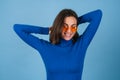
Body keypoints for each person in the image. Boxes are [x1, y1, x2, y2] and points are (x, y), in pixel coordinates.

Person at [13, 9, 102, 80]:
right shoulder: (45, 47)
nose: (69, 31)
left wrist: (75, 20)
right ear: (59, 25)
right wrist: (46, 30)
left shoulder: (80, 45)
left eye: (73, 27)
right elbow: (18, 28)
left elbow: (97, 14)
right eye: (65, 26)